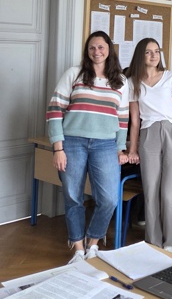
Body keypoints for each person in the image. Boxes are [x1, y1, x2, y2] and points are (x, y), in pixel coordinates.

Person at [46, 32, 129, 262]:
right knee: (73, 197)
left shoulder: (121, 81)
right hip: (72, 142)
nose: (97, 52)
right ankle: (78, 249)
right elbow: (54, 110)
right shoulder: (74, 74)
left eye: (101, 47)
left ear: (109, 49)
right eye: (92, 47)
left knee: (109, 199)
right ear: (87, 51)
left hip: (105, 145)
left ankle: (93, 244)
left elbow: (123, 118)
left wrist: (120, 148)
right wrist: (58, 148)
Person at [128, 38, 172, 252]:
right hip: (148, 134)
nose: (154, 55)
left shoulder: (170, 77)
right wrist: (133, 148)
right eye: (148, 52)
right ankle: (153, 241)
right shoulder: (132, 82)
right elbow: (135, 120)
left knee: (170, 191)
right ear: (141, 55)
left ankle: (171, 242)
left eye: (157, 51)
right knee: (151, 189)